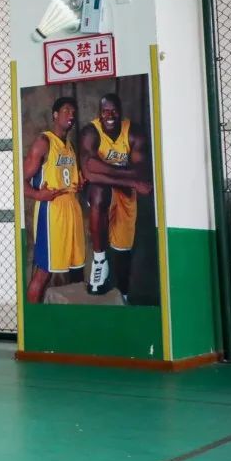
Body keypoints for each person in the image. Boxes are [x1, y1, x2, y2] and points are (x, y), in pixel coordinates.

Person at [78, 93, 152, 300]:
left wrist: (104, 169)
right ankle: (99, 261)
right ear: (99, 114)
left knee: (122, 251)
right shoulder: (91, 132)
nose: (109, 115)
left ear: (120, 112)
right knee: (98, 192)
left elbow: (141, 171)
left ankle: (124, 294)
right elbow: (89, 173)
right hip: (106, 190)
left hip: (125, 195)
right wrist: (130, 180)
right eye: (105, 111)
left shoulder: (134, 133)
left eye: (113, 111)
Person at [22, 97, 84, 304]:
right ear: (55, 115)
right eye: (66, 110)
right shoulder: (44, 142)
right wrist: (38, 195)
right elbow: (19, 181)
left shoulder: (69, 146)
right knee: (44, 271)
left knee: (75, 267)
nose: (71, 115)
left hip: (71, 207)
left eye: (73, 112)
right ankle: (32, 316)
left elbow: (66, 177)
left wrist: (78, 183)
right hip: (51, 211)